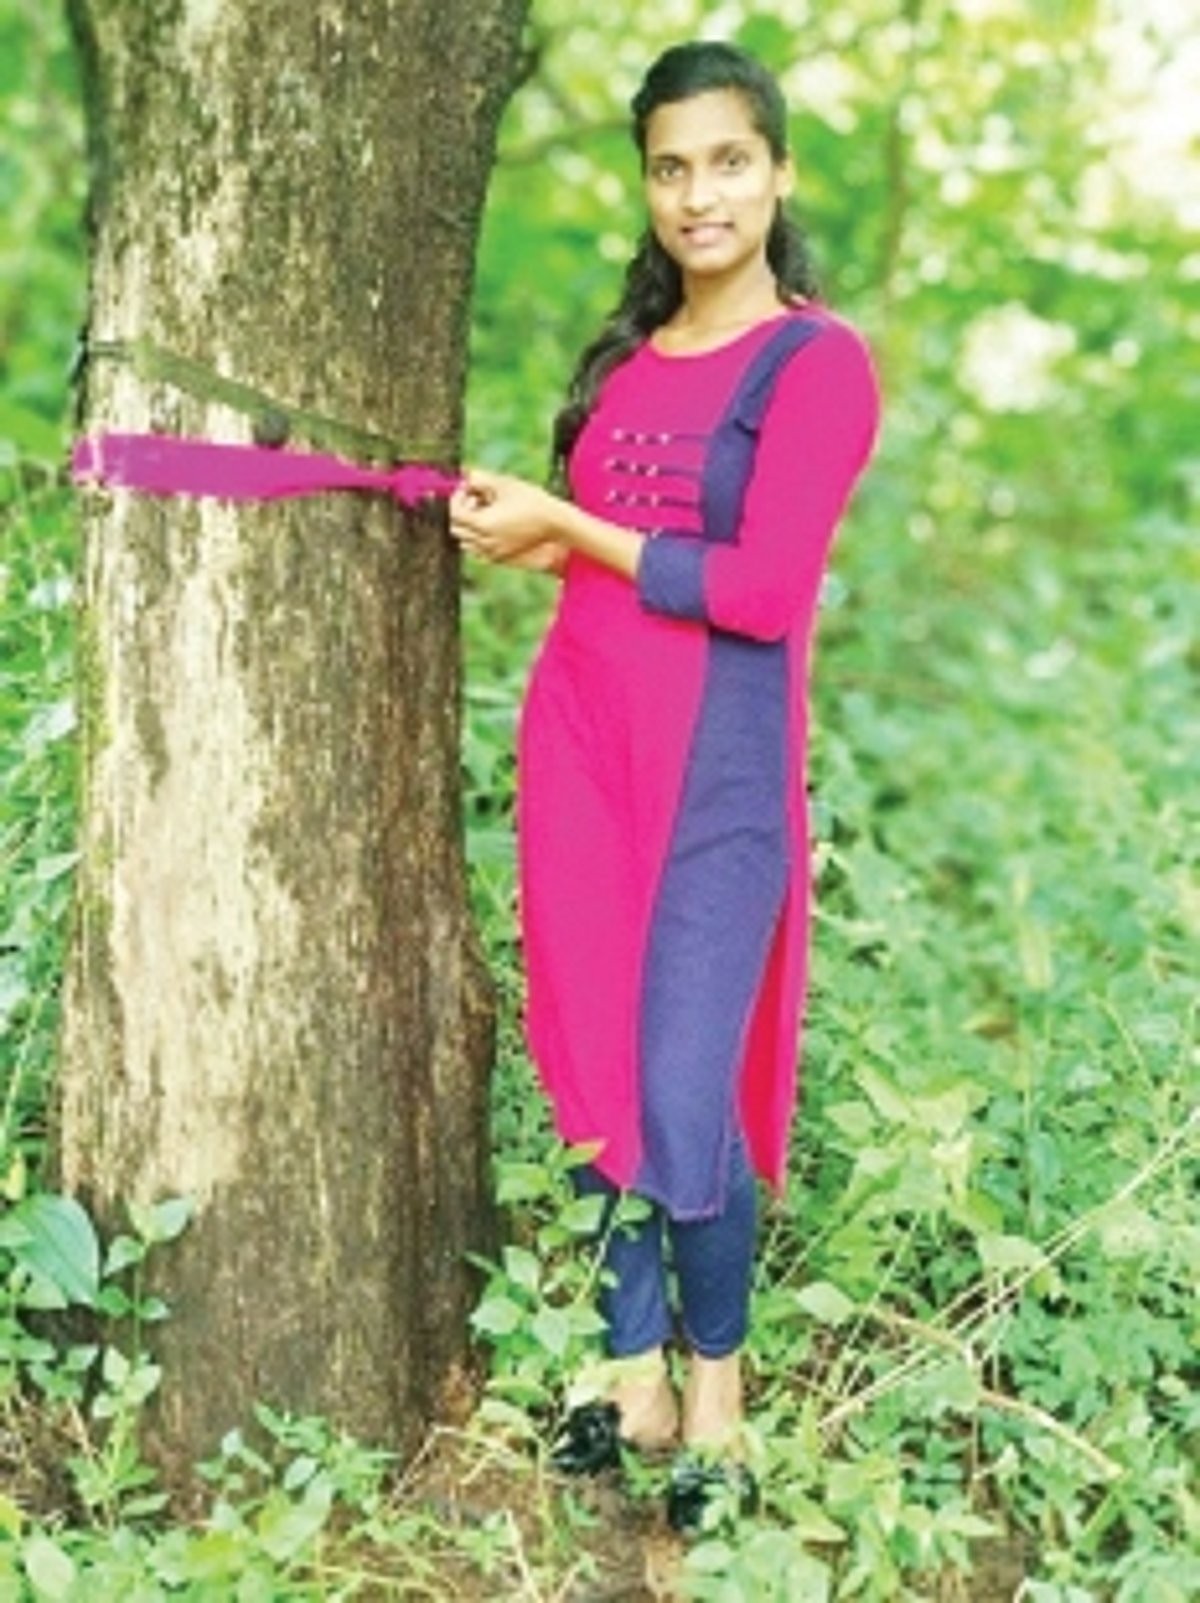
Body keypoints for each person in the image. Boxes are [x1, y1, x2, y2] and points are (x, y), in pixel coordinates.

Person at [450, 39, 880, 1526]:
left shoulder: (815, 363)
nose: (701, 195)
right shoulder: (631, 365)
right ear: (646, 185)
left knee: (687, 1093)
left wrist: (569, 522)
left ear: (781, 172)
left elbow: (757, 590)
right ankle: (629, 1370)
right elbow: (624, 571)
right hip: (583, 747)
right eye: (671, 168)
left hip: (717, 775)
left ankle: (719, 1401)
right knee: (591, 1065)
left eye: (730, 162)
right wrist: (536, 535)